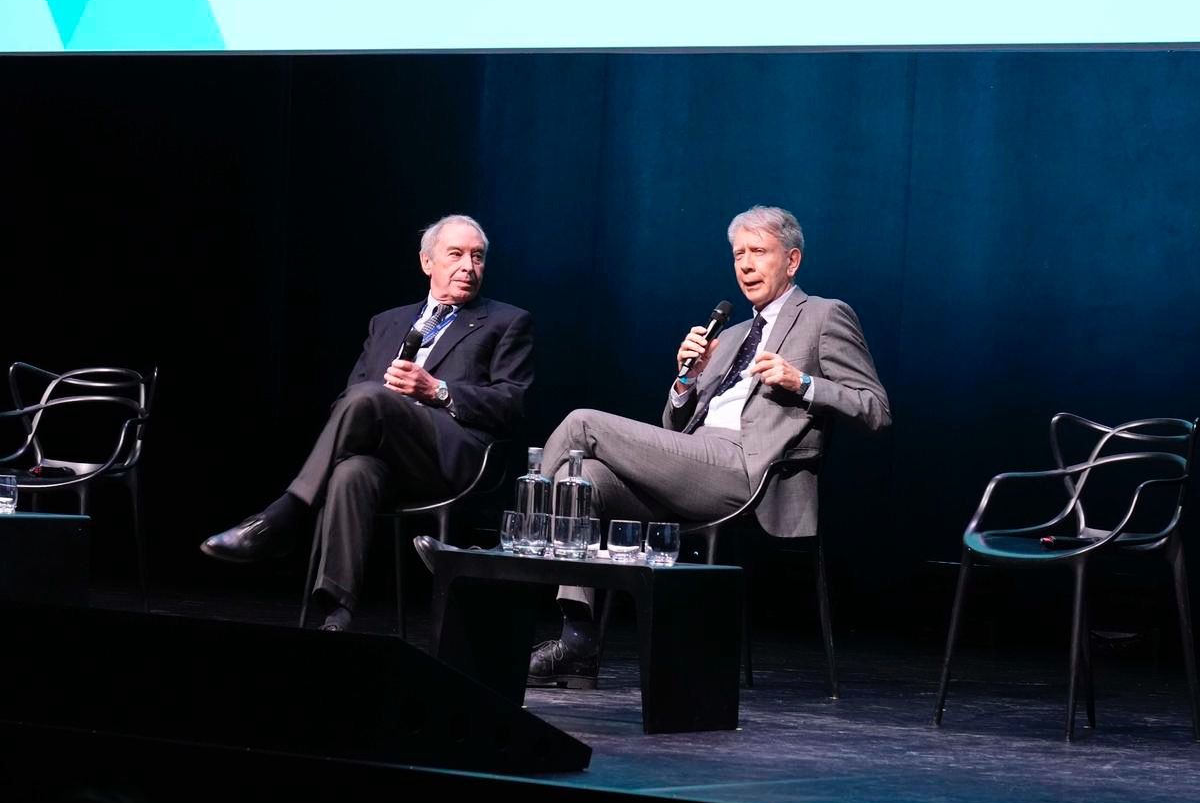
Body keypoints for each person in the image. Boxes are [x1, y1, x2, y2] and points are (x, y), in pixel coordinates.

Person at [530, 205, 890, 687]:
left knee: (582, 423)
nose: (746, 265)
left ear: (792, 260)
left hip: (748, 468)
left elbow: (875, 409)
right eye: (738, 254)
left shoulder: (824, 315)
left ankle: (515, 545)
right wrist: (686, 382)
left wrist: (802, 382)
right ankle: (578, 641)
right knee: (582, 479)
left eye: (758, 252)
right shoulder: (732, 335)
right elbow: (675, 427)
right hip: (695, 463)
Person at [200, 214, 534, 632]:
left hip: (451, 457)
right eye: (456, 255)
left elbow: (511, 404)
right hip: (386, 454)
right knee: (352, 470)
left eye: (477, 257)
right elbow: (348, 399)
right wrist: (380, 404)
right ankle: (336, 614)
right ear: (427, 262)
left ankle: (287, 514)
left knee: (370, 396)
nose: (468, 266)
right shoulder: (387, 322)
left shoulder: (506, 321)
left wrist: (437, 390)